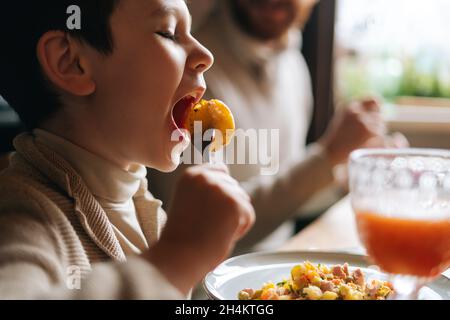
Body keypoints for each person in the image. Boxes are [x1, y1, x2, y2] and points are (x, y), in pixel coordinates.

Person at [0, 0, 255, 299]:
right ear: (71, 62)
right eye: (169, 33)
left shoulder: (140, 207)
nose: (205, 55)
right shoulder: (21, 217)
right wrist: (173, 260)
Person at [148, 0, 406, 253]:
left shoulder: (294, 65)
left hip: (279, 267)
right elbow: (199, 226)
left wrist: (347, 176)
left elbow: (286, 196)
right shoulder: (191, 69)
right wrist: (325, 156)